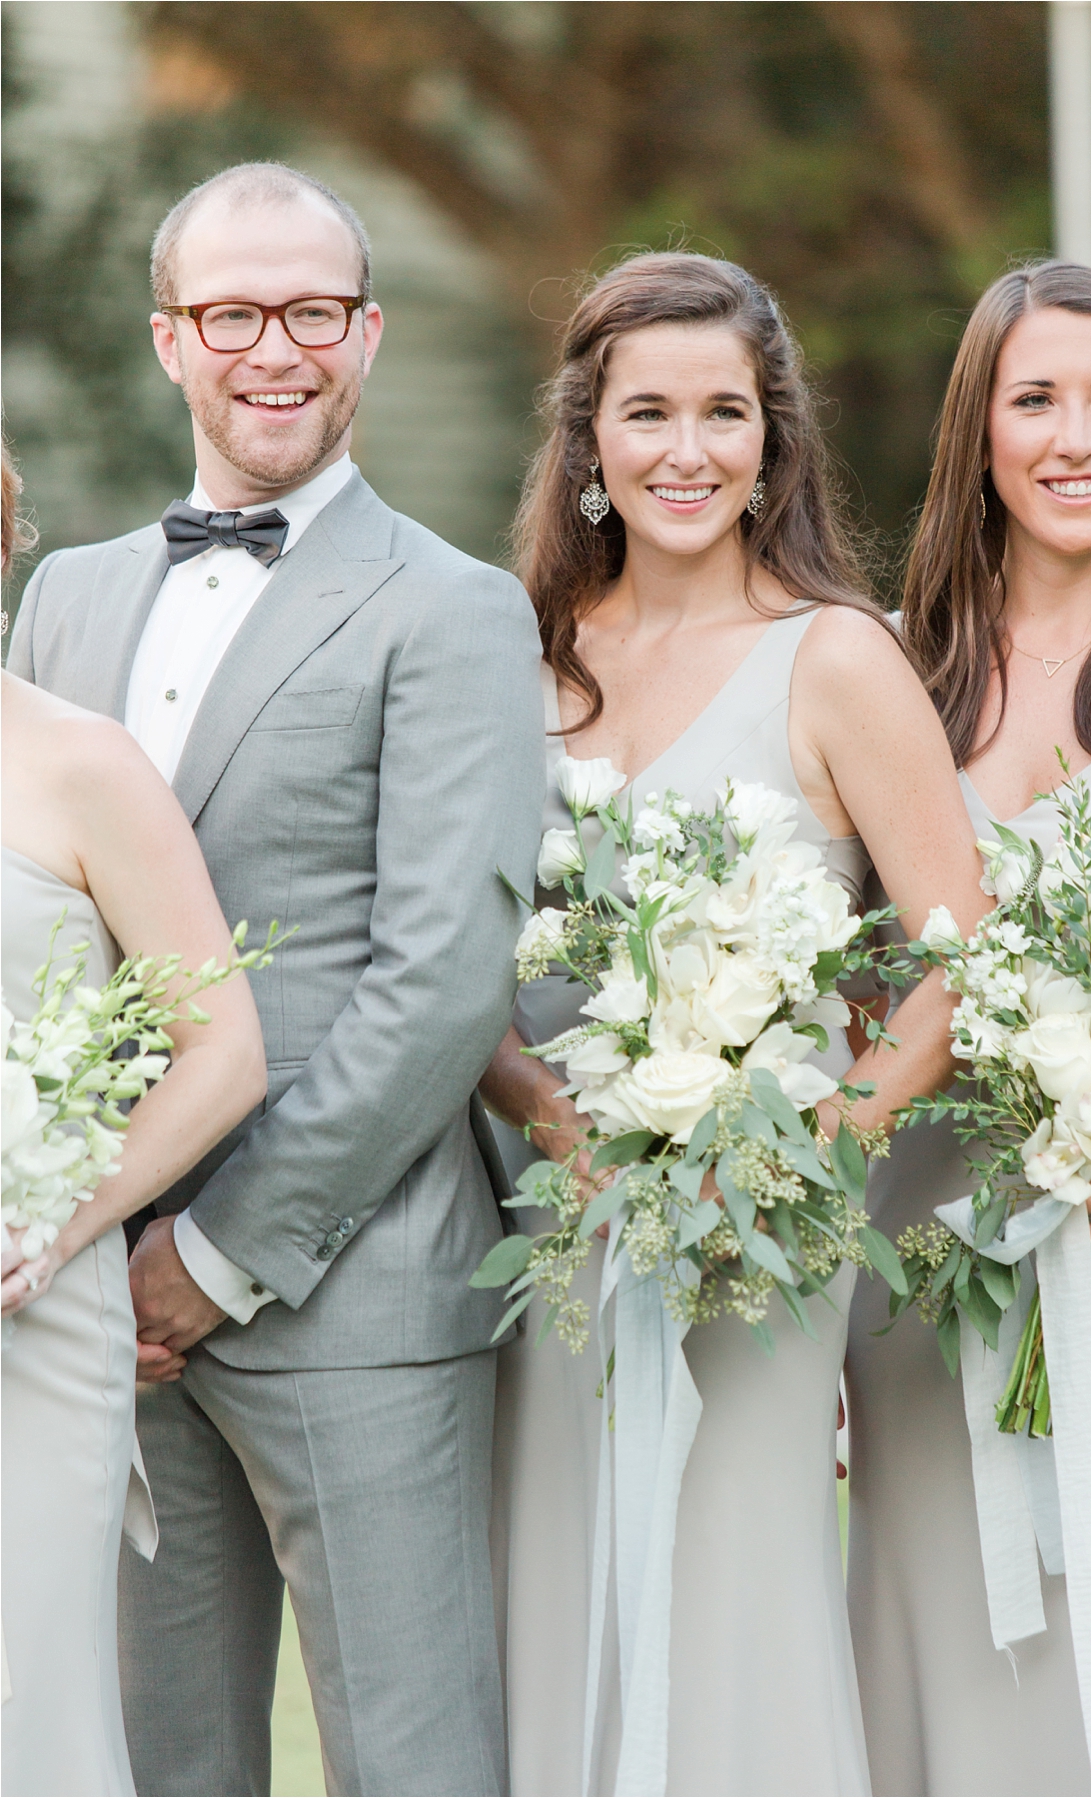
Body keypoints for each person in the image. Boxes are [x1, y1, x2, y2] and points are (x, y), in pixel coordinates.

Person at [8, 163, 544, 1798]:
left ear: (368, 334)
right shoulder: (67, 593)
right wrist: (99, 1225)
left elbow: (445, 974)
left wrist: (220, 1251)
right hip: (95, 1310)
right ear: (170, 340)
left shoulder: (458, 610)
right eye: (233, 313)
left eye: (313, 312)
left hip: (354, 1287)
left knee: (410, 1759)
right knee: (156, 1756)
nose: (276, 351)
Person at [480, 250, 990, 1798]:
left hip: (758, 1247)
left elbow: (961, 957)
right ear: (588, 441)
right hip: (556, 1228)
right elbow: (454, 971)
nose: (686, 450)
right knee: (553, 1588)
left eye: (725, 412)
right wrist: (547, 1114)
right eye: (648, 413)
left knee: (735, 1594)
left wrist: (819, 1148)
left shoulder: (835, 656)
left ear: (775, 440)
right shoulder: (513, 663)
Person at [845, 261, 1091, 1798]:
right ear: (975, 436)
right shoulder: (882, 674)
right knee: (954, 1662)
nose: (1076, 435)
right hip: (930, 1263)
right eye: (1034, 397)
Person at [1, 440, 268, 1797]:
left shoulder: (83, 765)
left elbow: (222, 1053)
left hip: (33, 1319)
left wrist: (59, 1224)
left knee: (26, 1703)